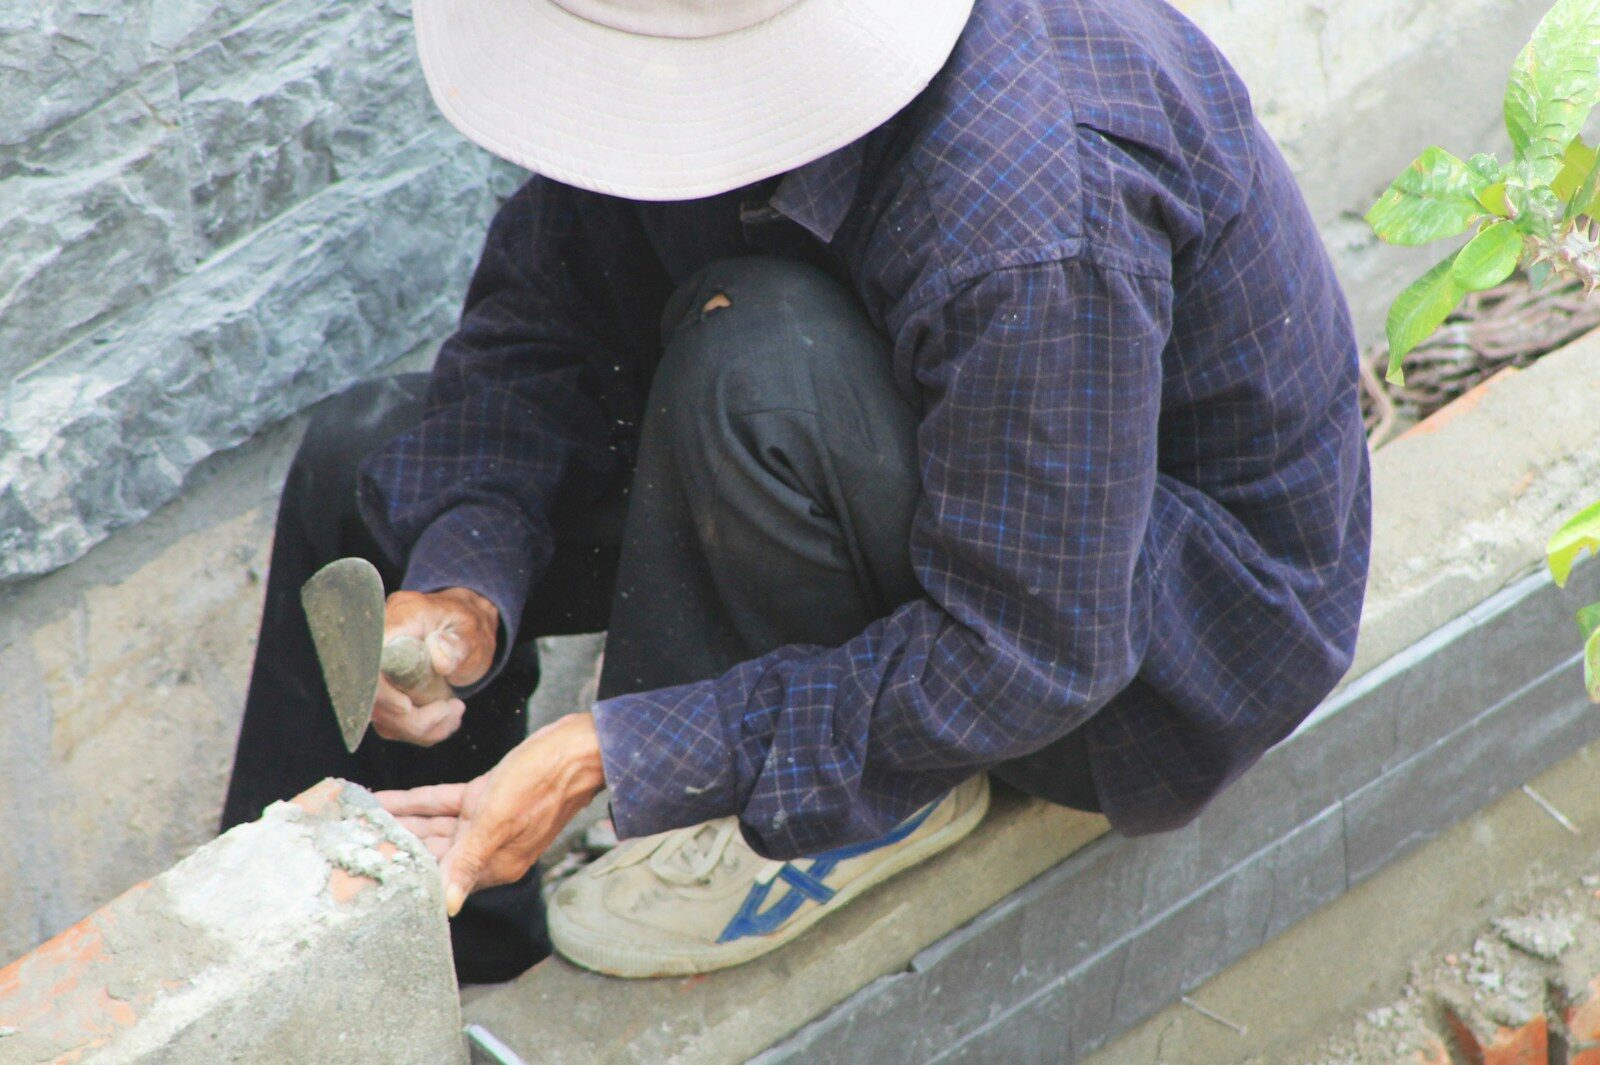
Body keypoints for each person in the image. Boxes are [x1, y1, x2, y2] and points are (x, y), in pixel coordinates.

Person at [221, 0, 1371, 982]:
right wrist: (464, 588)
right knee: (362, 469)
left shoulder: (1025, 207)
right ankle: (418, 961)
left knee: (758, 363)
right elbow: (546, 323)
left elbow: (1039, 651)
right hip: (917, 461)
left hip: (1134, 661)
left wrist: (615, 751)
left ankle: (869, 806)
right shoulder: (676, 43)